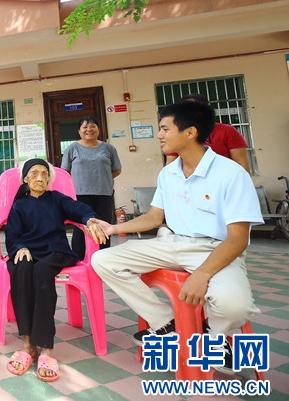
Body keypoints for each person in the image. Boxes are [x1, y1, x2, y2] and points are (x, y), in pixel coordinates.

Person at [92, 100, 262, 374]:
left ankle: (212, 337)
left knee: (235, 306)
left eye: (164, 128)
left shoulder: (231, 174)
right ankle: (167, 324)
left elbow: (238, 239)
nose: (159, 135)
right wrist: (112, 228)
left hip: (216, 248)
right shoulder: (169, 173)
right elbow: (154, 218)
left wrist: (202, 274)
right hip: (172, 242)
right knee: (103, 260)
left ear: (190, 132)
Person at [4, 158, 108, 382]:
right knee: (21, 269)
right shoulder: (19, 204)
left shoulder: (56, 199)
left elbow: (80, 209)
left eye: (44, 174)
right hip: (29, 250)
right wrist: (19, 247)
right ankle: (28, 344)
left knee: (42, 271)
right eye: (34, 174)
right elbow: (12, 233)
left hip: (55, 251)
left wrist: (89, 219)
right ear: (25, 179)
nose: (40, 178)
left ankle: (46, 348)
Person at [60, 116, 121, 256]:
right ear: (79, 131)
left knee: (104, 226)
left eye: (93, 126)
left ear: (99, 129)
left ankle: (103, 257)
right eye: (85, 127)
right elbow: (65, 172)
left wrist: (101, 178)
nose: (89, 129)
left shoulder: (108, 148)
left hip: (103, 194)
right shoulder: (72, 148)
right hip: (79, 195)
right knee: (81, 228)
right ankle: (79, 257)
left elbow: (117, 169)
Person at [164, 93, 250, 172]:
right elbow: (170, 165)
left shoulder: (227, 131)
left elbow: (241, 164)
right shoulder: (177, 134)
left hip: (222, 182)